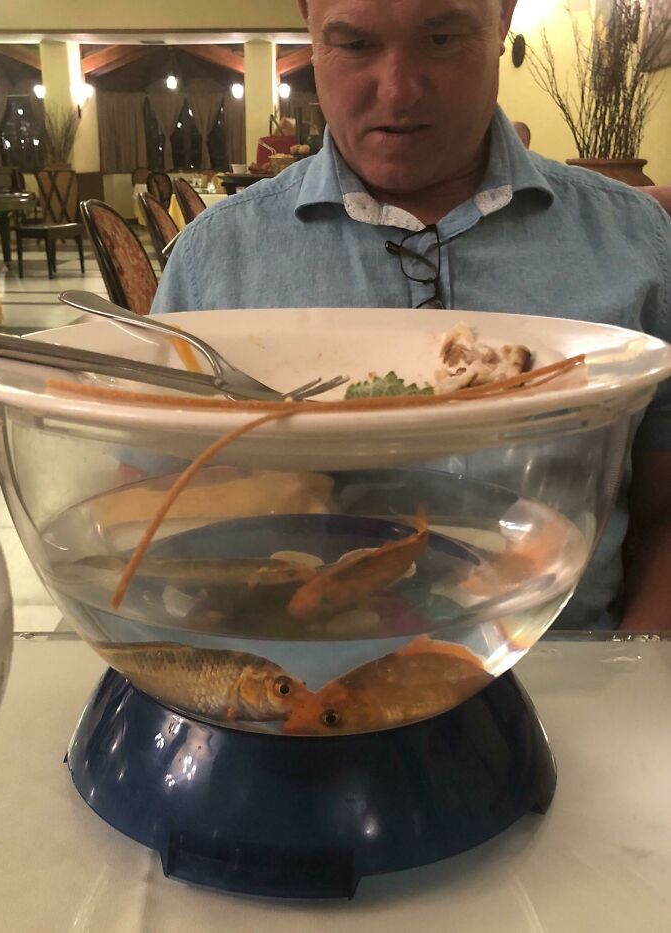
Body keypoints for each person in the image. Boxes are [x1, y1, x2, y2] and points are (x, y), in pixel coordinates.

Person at [152, 0, 671, 632]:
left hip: (567, 659)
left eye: (442, 38)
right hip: (290, 664)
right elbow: (146, 511)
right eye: (355, 45)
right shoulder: (215, 260)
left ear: (503, 16)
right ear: (308, 21)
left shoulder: (638, 244)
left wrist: (639, 659)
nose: (398, 92)